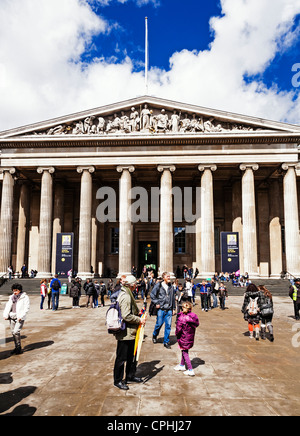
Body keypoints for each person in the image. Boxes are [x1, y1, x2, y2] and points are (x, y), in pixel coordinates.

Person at [113, 275, 147, 391]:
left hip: (131, 332)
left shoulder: (127, 293)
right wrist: (139, 320)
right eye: (135, 285)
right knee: (121, 358)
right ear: (132, 285)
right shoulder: (126, 296)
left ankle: (130, 376)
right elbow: (126, 315)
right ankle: (118, 380)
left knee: (131, 357)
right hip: (125, 332)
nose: (136, 286)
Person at [151, 272, 176, 349]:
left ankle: (166, 341)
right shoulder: (158, 285)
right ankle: (154, 335)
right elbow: (152, 295)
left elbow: (173, 298)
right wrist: (157, 303)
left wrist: (174, 308)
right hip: (161, 309)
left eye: (169, 276)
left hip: (168, 309)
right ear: (163, 277)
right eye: (167, 276)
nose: (169, 278)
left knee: (168, 326)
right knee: (159, 324)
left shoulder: (171, 287)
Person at [3, 283, 30, 355]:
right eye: (13, 290)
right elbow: (8, 306)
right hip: (12, 316)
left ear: (20, 290)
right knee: (13, 333)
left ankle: (18, 347)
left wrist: (21, 316)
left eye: (16, 290)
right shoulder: (11, 297)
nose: (15, 292)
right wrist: (5, 315)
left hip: (20, 317)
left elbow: (26, 308)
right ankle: (16, 347)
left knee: (16, 331)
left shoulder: (25, 297)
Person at [174, 301, 199, 376]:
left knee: (185, 352)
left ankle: (190, 369)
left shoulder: (181, 318)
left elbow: (178, 329)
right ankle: (182, 365)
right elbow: (197, 324)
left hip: (183, 337)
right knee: (184, 350)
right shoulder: (193, 316)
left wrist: (176, 334)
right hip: (190, 337)